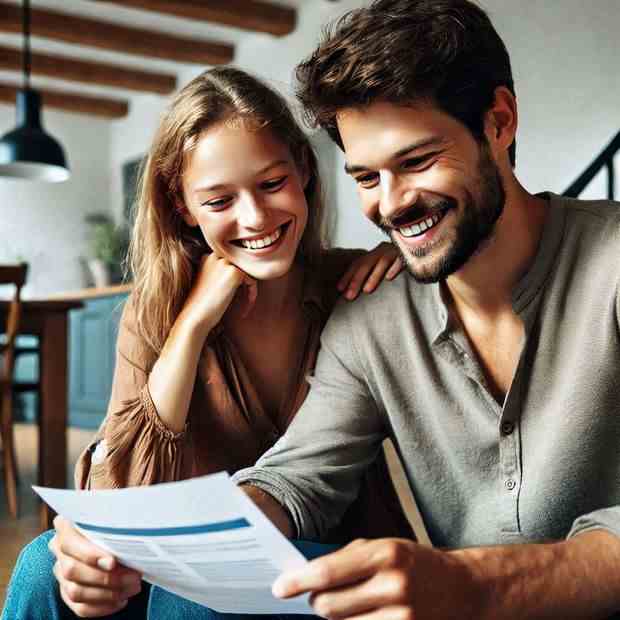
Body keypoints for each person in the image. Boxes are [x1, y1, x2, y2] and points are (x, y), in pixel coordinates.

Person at [227, 0, 620, 619]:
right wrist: (145, 544)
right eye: (365, 178)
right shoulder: (369, 322)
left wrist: (475, 585)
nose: (391, 205)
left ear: (499, 121)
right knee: (63, 568)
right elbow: (297, 480)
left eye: (415, 162)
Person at [2, 67, 414, 619]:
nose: (255, 217)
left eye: (272, 184)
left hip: (324, 552)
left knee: (194, 591)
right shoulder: (157, 308)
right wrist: (193, 323)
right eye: (219, 201)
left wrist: (403, 259)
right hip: (185, 558)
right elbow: (120, 489)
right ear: (182, 207)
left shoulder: (355, 286)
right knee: (39, 565)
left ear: (304, 172)